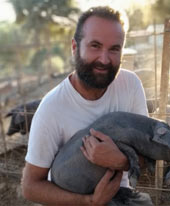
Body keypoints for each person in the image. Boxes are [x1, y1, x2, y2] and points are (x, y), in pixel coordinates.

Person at [21, 6, 153, 206]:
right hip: (73, 200)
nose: (104, 59)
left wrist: (121, 161)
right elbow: (30, 187)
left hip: (121, 194)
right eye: (95, 46)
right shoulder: (51, 109)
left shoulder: (130, 85)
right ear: (75, 47)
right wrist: (89, 201)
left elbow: (147, 155)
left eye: (114, 49)